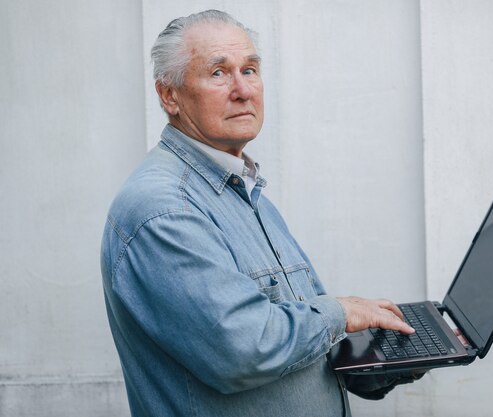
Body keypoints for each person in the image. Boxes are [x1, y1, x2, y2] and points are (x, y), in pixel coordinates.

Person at [101, 9, 423, 417]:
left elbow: (299, 342)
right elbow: (243, 350)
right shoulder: (165, 210)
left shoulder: (244, 189)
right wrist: (341, 314)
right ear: (170, 96)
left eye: (250, 70)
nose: (242, 90)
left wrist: (392, 359)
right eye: (218, 73)